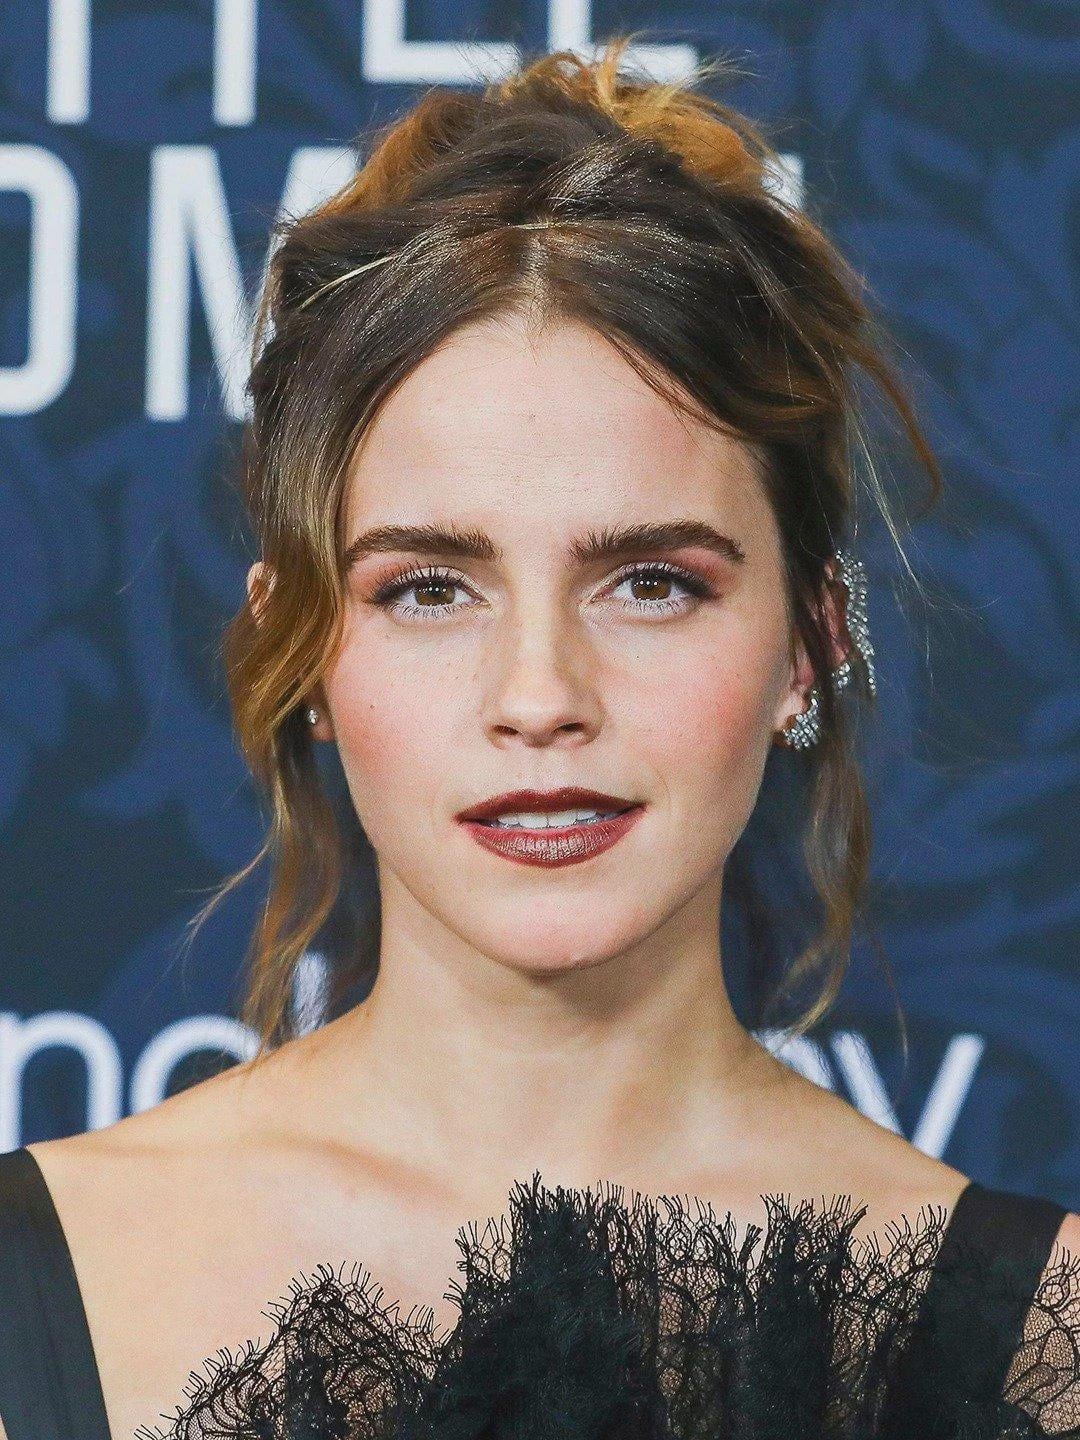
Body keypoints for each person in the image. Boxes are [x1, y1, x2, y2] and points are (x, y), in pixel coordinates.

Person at [0, 34, 1076, 1440]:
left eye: (652, 584)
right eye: (429, 590)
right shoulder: (31, 1283)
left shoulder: (1046, 1344)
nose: (540, 694)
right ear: (302, 645)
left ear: (809, 642)